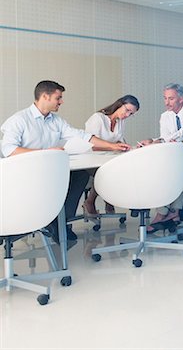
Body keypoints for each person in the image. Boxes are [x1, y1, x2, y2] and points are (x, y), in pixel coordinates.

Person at [0, 80, 131, 244]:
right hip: (26, 174)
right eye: (58, 98)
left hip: (48, 170)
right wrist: (45, 153)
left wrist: (112, 145)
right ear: (45, 96)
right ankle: (52, 222)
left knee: (81, 175)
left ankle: (60, 222)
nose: (61, 101)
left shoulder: (56, 121)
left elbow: (82, 136)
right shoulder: (19, 119)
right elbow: (9, 150)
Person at [141, 83, 183, 232]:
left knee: (176, 171)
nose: (167, 102)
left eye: (171, 98)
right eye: (165, 98)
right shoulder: (164, 116)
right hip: (173, 154)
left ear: (180, 98)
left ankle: (163, 213)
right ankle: (173, 212)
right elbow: (165, 137)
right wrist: (156, 141)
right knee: (165, 171)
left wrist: (163, 141)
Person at [83, 95, 140, 216]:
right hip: (92, 159)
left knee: (128, 168)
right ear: (119, 104)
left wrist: (124, 146)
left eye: (131, 114)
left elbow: (118, 140)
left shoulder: (120, 121)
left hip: (109, 158)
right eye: (127, 110)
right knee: (107, 172)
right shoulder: (98, 118)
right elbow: (91, 145)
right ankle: (91, 201)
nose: (127, 115)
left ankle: (121, 200)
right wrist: (112, 146)